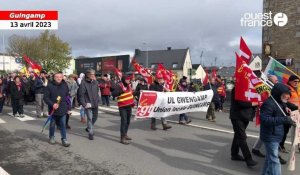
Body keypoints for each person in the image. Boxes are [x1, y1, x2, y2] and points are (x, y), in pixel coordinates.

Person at [260, 83, 297, 175]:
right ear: (278, 93)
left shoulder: (279, 102)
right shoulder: (268, 103)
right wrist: (284, 119)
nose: (288, 97)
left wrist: (287, 109)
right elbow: (265, 119)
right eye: (285, 94)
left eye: (288, 94)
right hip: (270, 136)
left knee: (270, 158)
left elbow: (282, 107)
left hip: (276, 135)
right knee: (275, 161)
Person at [230, 86, 258, 167]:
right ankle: (248, 159)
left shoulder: (247, 88)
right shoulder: (238, 88)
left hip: (245, 116)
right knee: (242, 137)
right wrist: (256, 103)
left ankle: (234, 154)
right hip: (237, 116)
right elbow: (241, 103)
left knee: (238, 135)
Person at [44, 72, 70, 147]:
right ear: (54, 78)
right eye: (57, 77)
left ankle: (64, 139)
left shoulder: (65, 85)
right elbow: (45, 98)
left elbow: (67, 96)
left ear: (62, 78)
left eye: (60, 77)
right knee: (52, 124)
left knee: (63, 124)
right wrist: (52, 104)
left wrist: (68, 107)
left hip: (63, 108)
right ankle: (51, 137)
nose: (59, 78)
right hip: (53, 108)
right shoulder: (49, 86)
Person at [112, 75, 135, 145]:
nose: (128, 81)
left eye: (129, 80)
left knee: (128, 122)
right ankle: (122, 138)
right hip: (122, 107)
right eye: (127, 80)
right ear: (123, 80)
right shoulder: (119, 85)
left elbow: (131, 94)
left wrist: (139, 92)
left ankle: (125, 134)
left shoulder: (129, 86)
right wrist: (121, 91)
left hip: (129, 106)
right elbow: (113, 94)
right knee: (124, 121)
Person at [78, 69, 100, 140]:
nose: (93, 76)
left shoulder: (96, 82)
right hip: (87, 103)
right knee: (90, 118)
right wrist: (84, 104)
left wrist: (98, 99)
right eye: (92, 74)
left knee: (95, 117)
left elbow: (97, 92)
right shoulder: (83, 83)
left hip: (95, 103)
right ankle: (90, 132)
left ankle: (88, 127)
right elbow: (81, 94)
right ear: (87, 75)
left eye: (94, 74)